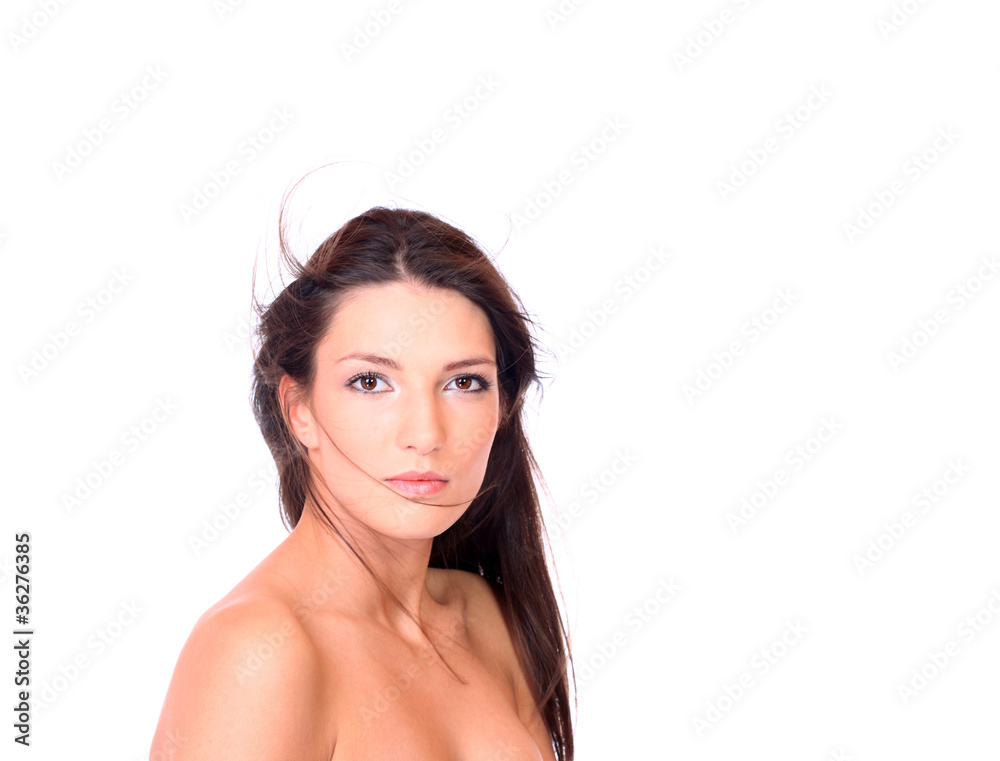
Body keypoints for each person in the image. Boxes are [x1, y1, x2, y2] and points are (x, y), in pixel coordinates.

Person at [149, 192, 575, 760]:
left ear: (503, 406)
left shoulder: (489, 618)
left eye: (463, 382)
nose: (425, 433)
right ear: (299, 409)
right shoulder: (260, 653)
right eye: (371, 382)